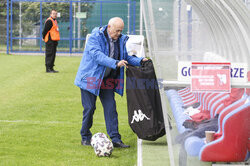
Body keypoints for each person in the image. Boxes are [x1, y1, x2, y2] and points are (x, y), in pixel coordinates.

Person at [74, 17, 148, 148]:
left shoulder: (120, 39)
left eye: (121, 31)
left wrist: (141, 60)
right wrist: (115, 63)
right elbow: (97, 55)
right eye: (117, 30)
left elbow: (125, 57)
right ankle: (85, 136)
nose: (119, 33)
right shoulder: (95, 37)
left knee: (111, 108)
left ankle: (115, 139)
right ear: (109, 27)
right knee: (90, 108)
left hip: (107, 79)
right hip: (91, 78)